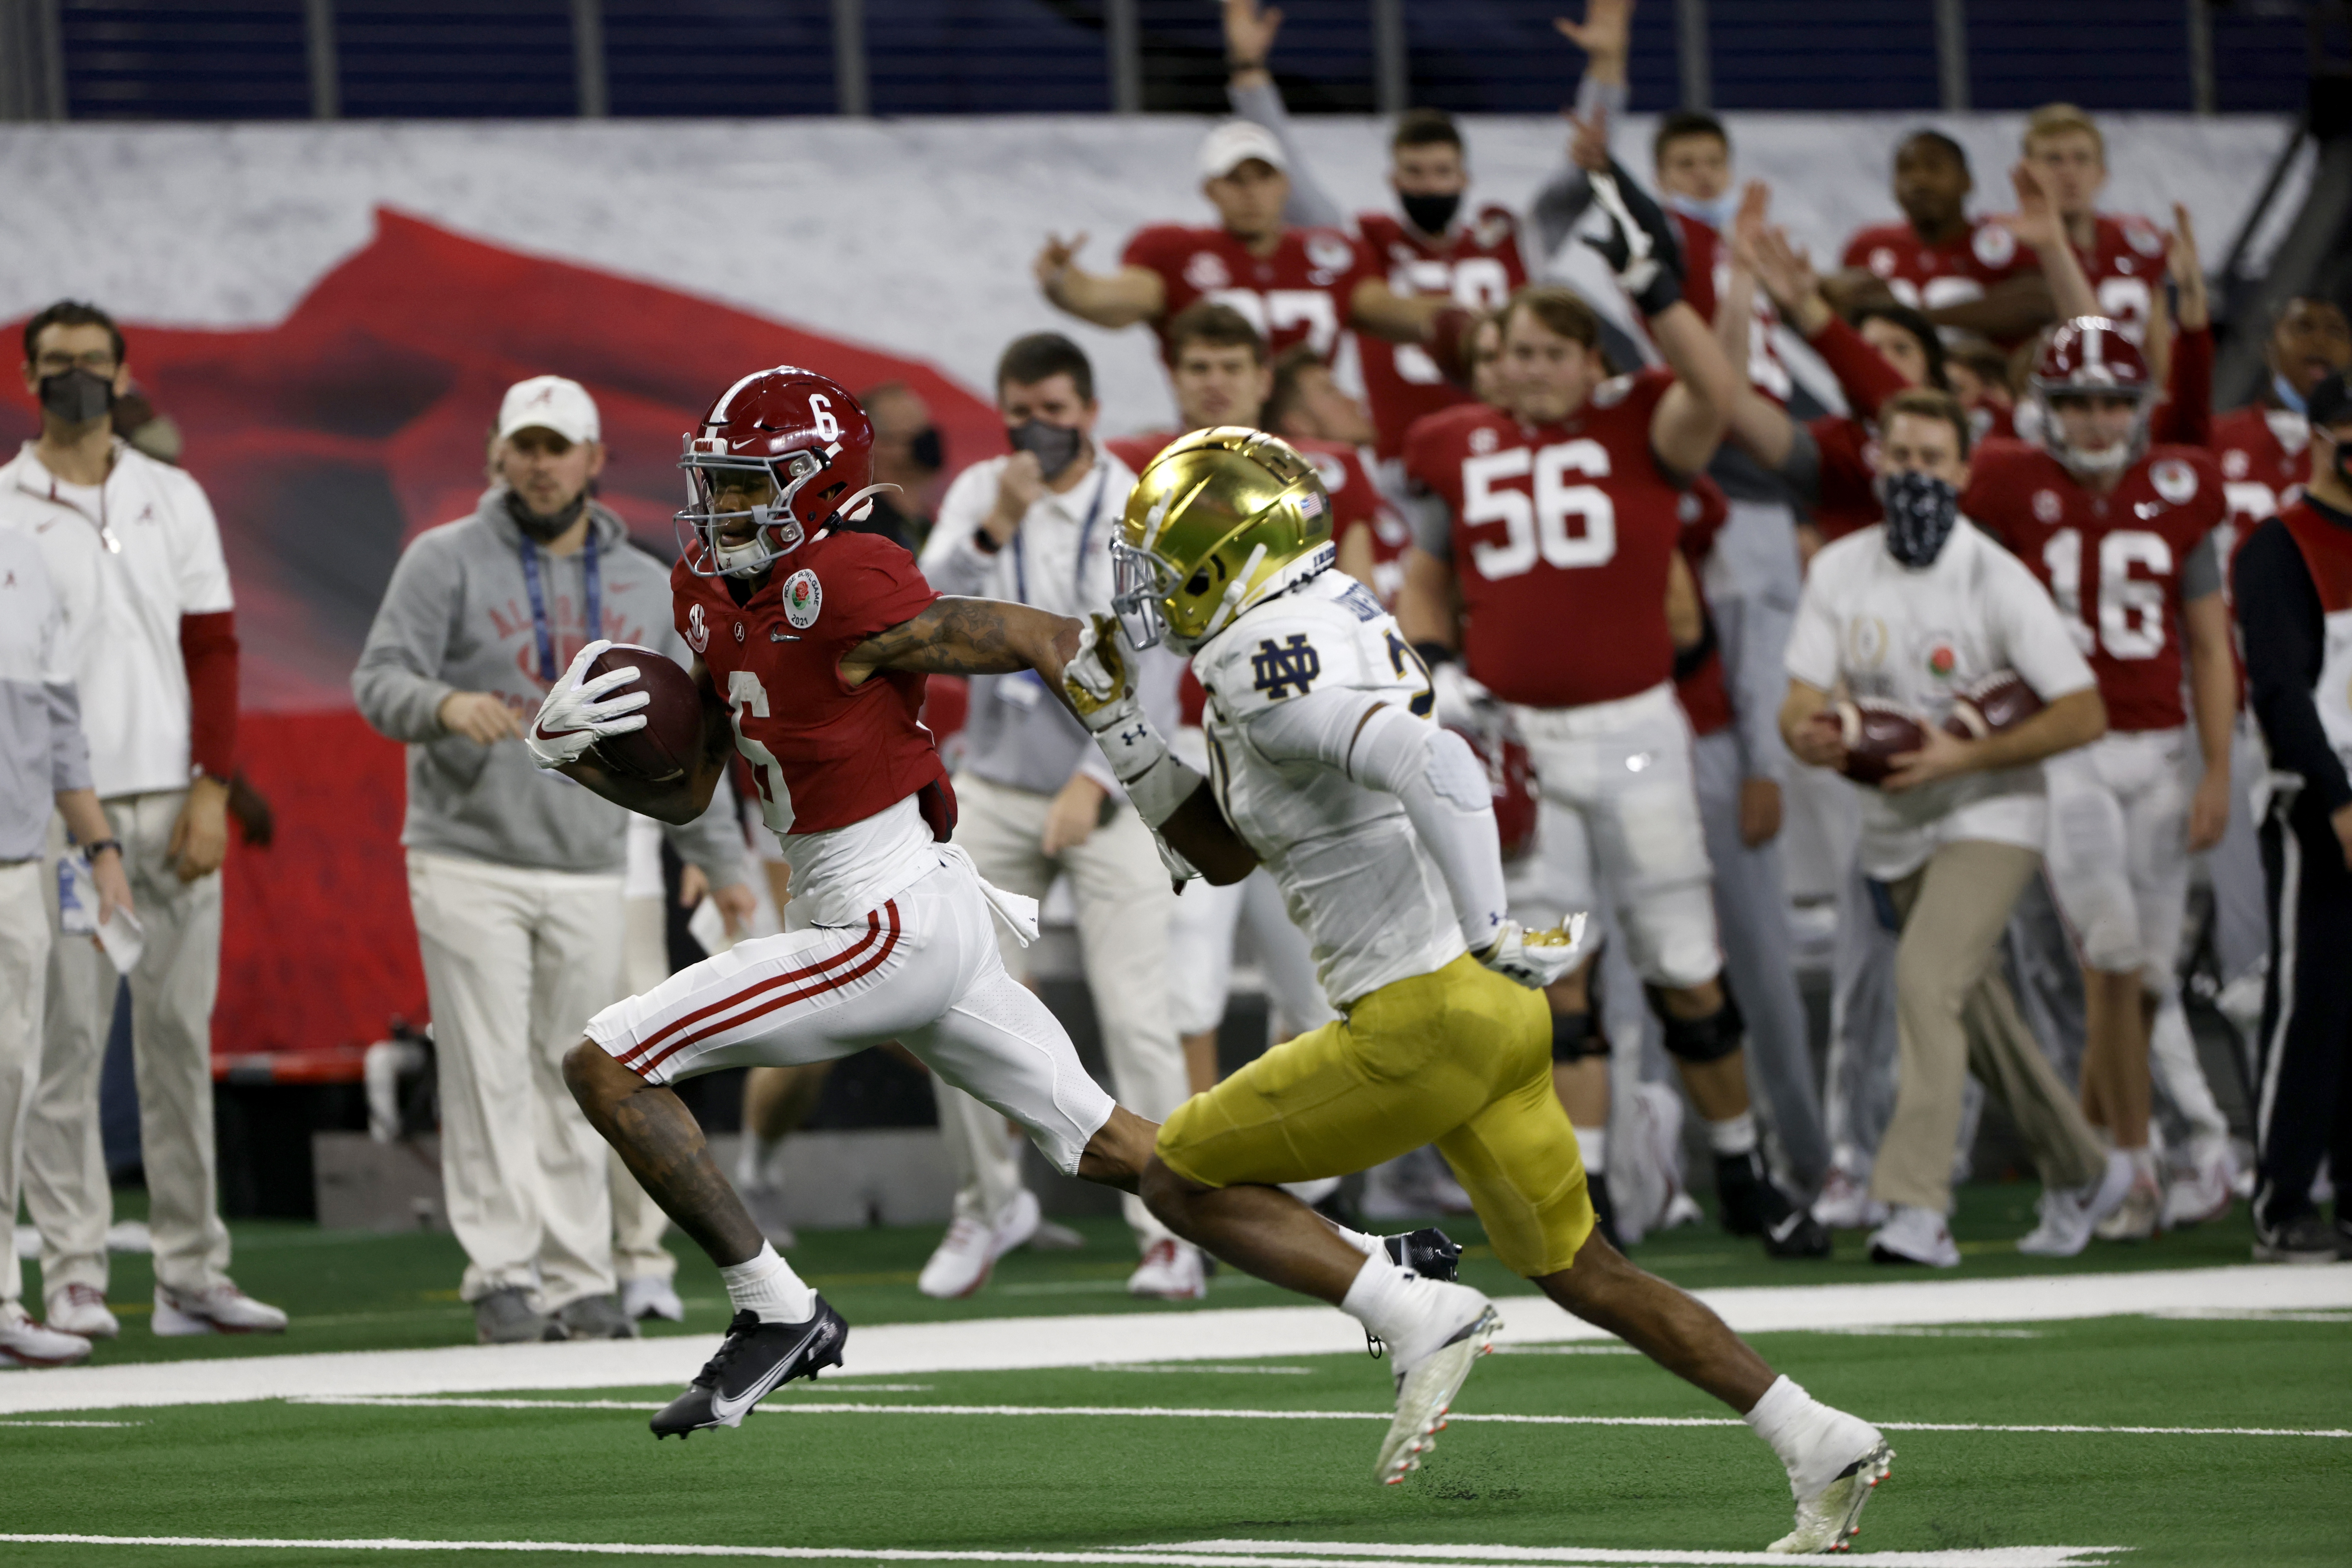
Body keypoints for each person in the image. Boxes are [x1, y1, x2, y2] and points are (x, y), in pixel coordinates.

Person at [1059, 427, 1891, 1552]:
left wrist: (1496, 923)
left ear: (1226, 559)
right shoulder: (1318, 611)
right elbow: (1227, 848)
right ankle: (1815, 1434)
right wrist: (1115, 725)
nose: (1150, 588)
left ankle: (1411, 1303)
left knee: (1175, 1174)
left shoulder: (1257, 652)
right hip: (1487, 1014)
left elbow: (1435, 763)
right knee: (1583, 1269)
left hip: (1421, 1013)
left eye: (1165, 561)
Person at [541, 367, 1167, 1438]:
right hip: (903, 907)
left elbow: (1037, 638)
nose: (724, 509)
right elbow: (694, 786)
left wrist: (1146, 781)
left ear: (820, 485)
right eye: (720, 485)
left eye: (750, 487)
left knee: (606, 1061)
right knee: (1110, 1143)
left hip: (881, 918)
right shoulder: (707, 586)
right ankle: (1373, 1271)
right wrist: (575, 762)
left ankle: (773, 1308)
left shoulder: (849, 576)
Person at [1396, 248, 1829, 1260]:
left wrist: (1667, 285)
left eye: (1549, 350)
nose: (1525, 367)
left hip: (1634, 729)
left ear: (1595, 362)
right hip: (1519, 741)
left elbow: (1710, 390)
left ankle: (1738, 1166)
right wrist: (1437, 669)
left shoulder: (1641, 421)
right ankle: (1579, 1189)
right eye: (1507, 350)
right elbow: (1423, 577)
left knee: (1683, 958)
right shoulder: (1449, 441)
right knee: (1549, 974)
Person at [353, 374, 756, 1345]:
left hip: (586, 856)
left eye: (556, 446)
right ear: (498, 452)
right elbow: (378, 680)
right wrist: (443, 705)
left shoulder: (638, 581)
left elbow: (685, 733)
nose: (539, 463)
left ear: (593, 459)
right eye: (523, 445)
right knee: (487, 1066)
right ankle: (503, 1273)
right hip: (467, 854)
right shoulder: (441, 558)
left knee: (579, 1068)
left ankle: (581, 1276)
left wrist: (720, 855)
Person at [1779, 388, 2129, 1265]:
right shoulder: (1839, 569)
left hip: (1990, 807)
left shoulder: (1993, 575)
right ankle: (2087, 1167)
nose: (1913, 476)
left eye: (1932, 460)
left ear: (1964, 471)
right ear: (1875, 460)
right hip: (1892, 819)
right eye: (1899, 457)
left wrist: (1961, 757)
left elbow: (2082, 710)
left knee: (1922, 976)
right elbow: (1796, 702)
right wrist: (1814, 737)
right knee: (1974, 1015)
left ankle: (1912, 1206)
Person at [2, 300, 285, 1342]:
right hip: (59, 817)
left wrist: (213, 787)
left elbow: (213, 648)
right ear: (30, 379)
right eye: (54, 363)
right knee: (66, 1046)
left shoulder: (175, 497)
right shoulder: (6, 508)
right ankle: (74, 1270)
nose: (74, 377)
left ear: (124, 375)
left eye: (91, 362)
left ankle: (189, 1271)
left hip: (174, 805)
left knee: (176, 1038)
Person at [914, 334, 1200, 1303]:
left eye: (1051, 407)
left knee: (1136, 1011)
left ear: (1087, 409)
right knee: (945, 998)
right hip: (995, 779)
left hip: (1114, 780)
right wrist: (996, 522)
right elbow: (922, 614)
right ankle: (987, 1202)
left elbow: (1152, 660)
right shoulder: (981, 491)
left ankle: (1169, 1223)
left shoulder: (1136, 504)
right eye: (1017, 406)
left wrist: (1094, 778)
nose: (1034, 426)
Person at [1962, 318, 2236, 1240]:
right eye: (2072, 401)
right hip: (2064, 750)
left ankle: (2082, 1157)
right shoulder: (2005, 481)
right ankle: (2132, 1165)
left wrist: (2216, 770)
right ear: (2044, 407)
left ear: (2137, 406)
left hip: (2158, 755)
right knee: (2109, 959)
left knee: (2144, 979)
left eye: (2109, 401)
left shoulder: (2176, 485)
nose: (2090, 419)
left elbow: (2205, 641)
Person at [1218, 0, 1527, 465]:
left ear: (1465, 178)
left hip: (1508, 453)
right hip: (1404, 462)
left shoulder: (1507, 239)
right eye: (1415, 173)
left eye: (1442, 172)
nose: (1428, 185)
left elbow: (1581, 179)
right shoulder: (1370, 245)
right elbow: (1295, 186)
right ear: (1393, 180)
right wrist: (1249, 73)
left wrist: (1607, 70)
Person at [1033, 121, 1471, 381]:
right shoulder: (1175, 251)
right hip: (1216, 449)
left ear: (1284, 185)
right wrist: (1062, 282)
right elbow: (1114, 300)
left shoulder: (1332, 256)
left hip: (1311, 445)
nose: (1251, 193)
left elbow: (1393, 311)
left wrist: (1483, 320)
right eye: (1235, 180)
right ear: (1209, 189)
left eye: (1262, 178)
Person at [0, 524, 134, 1369]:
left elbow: (56, 724)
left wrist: (102, 847)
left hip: (15, 858)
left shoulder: (22, 552)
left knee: (8, 1079)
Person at [2231, 368, 2352, 1263]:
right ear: (2318, 433)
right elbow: (2278, 687)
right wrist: (2335, 796)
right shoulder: (2278, 542)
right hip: (2316, 798)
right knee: (2308, 996)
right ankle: (2279, 1195)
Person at [1827, 128, 2054, 348]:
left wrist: (1916, 319)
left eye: (1933, 168)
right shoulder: (1868, 245)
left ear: (1966, 181)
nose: (1919, 181)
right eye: (1905, 170)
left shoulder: (2002, 237)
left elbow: (2040, 303)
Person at [2016, 104, 2173, 352]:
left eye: (2081, 159)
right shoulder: (2010, 246)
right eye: (2053, 160)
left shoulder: (2136, 242)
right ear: (2027, 171)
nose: (2068, 173)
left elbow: (2159, 351)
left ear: (2102, 173)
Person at [851, 381, 944, 552]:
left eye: (927, 429)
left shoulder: (925, 524)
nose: (930, 443)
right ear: (876, 446)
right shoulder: (862, 533)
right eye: (914, 435)